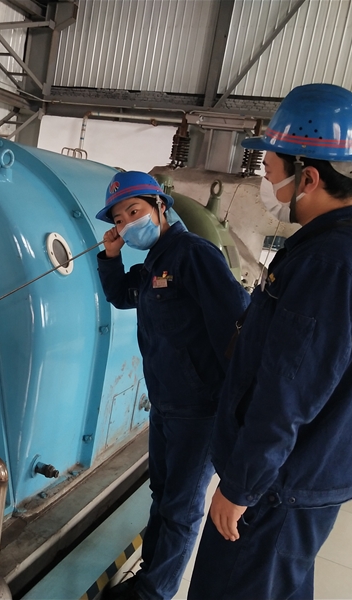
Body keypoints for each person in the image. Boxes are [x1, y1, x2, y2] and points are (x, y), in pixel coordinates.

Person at [187, 83, 352, 600]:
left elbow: (289, 390)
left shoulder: (330, 262)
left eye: (270, 170)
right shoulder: (342, 247)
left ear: (310, 176)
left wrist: (242, 485)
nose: (265, 182)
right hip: (292, 480)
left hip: (278, 488)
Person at [96, 171, 249, 600]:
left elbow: (237, 325)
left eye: (134, 211)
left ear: (160, 206)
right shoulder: (154, 262)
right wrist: (110, 256)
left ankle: (154, 594)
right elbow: (123, 296)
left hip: (201, 410)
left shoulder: (193, 254)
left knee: (181, 506)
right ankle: (151, 576)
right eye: (120, 219)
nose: (128, 223)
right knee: (163, 494)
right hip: (166, 404)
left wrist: (236, 405)